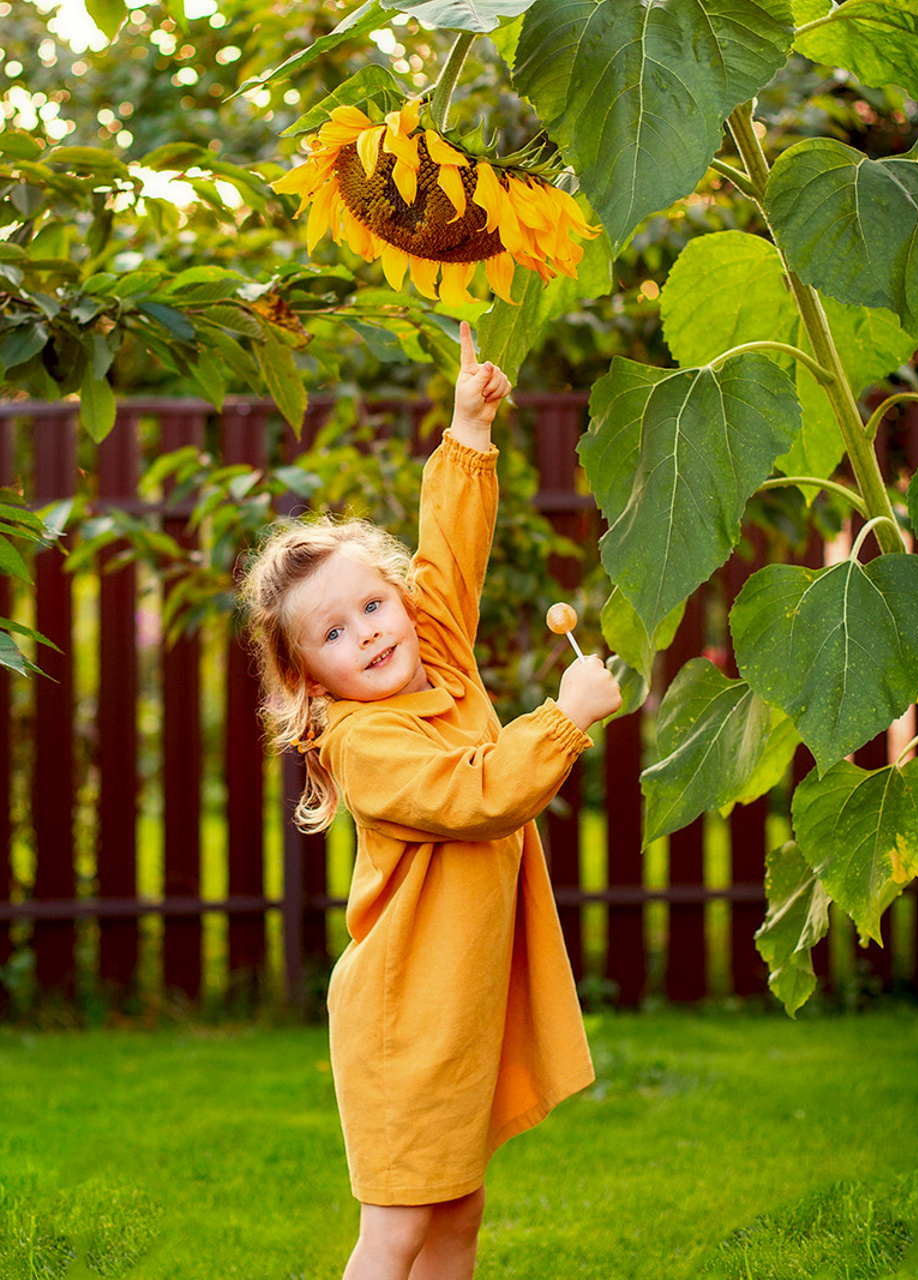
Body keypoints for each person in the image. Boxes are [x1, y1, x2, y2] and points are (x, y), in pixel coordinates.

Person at [239, 322, 623, 1279]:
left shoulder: (434, 663)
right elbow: (477, 793)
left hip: (457, 1011)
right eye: (333, 632)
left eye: (373, 605)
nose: (368, 634)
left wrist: (469, 431)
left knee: (458, 1217)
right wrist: (563, 722)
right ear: (310, 680)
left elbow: (447, 557)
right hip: (403, 1023)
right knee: (398, 1231)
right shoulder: (367, 742)